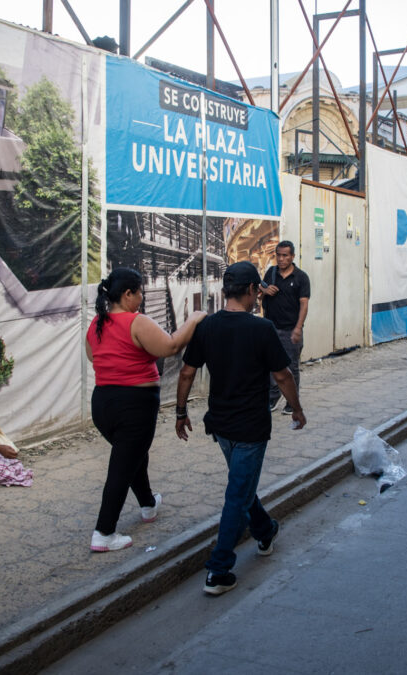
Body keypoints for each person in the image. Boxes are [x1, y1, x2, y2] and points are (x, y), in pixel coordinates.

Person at [175, 262, 306, 596]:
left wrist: (180, 411)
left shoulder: (207, 327)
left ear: (225, 291)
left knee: (241, 486)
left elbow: (187, 372)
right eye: (258, 291)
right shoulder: (262, 329)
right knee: (237, 494)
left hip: (220, 425)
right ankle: (219, 570)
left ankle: (265, 530)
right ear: (252, 291)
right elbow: (282, 376)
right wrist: (298, 408)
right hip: (250, 426)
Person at [86, 268, 206, 552]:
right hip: (134, 406)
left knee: (133, 457)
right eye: (139, 292)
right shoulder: (136, 321)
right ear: (127, 294)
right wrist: (195, 318)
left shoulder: (98, 323)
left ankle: (148, 505)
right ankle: (104, 533)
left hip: (103, 403)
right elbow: (171, 345)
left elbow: (95, 356)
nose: (141, 297)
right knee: (122, 467)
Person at [261, 241, 311, 414]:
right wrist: (265, 291)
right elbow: (260, 286)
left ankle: (292, 402)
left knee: (291, 367)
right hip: (271, 328)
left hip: (291, 330)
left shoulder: (301, 277)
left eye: (285, 255)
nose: (281, 259)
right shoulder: (271, 272)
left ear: (292, 257)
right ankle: (273, 398)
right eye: (279, 255)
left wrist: (298, 328)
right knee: (270, 366)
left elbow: (304, 305)